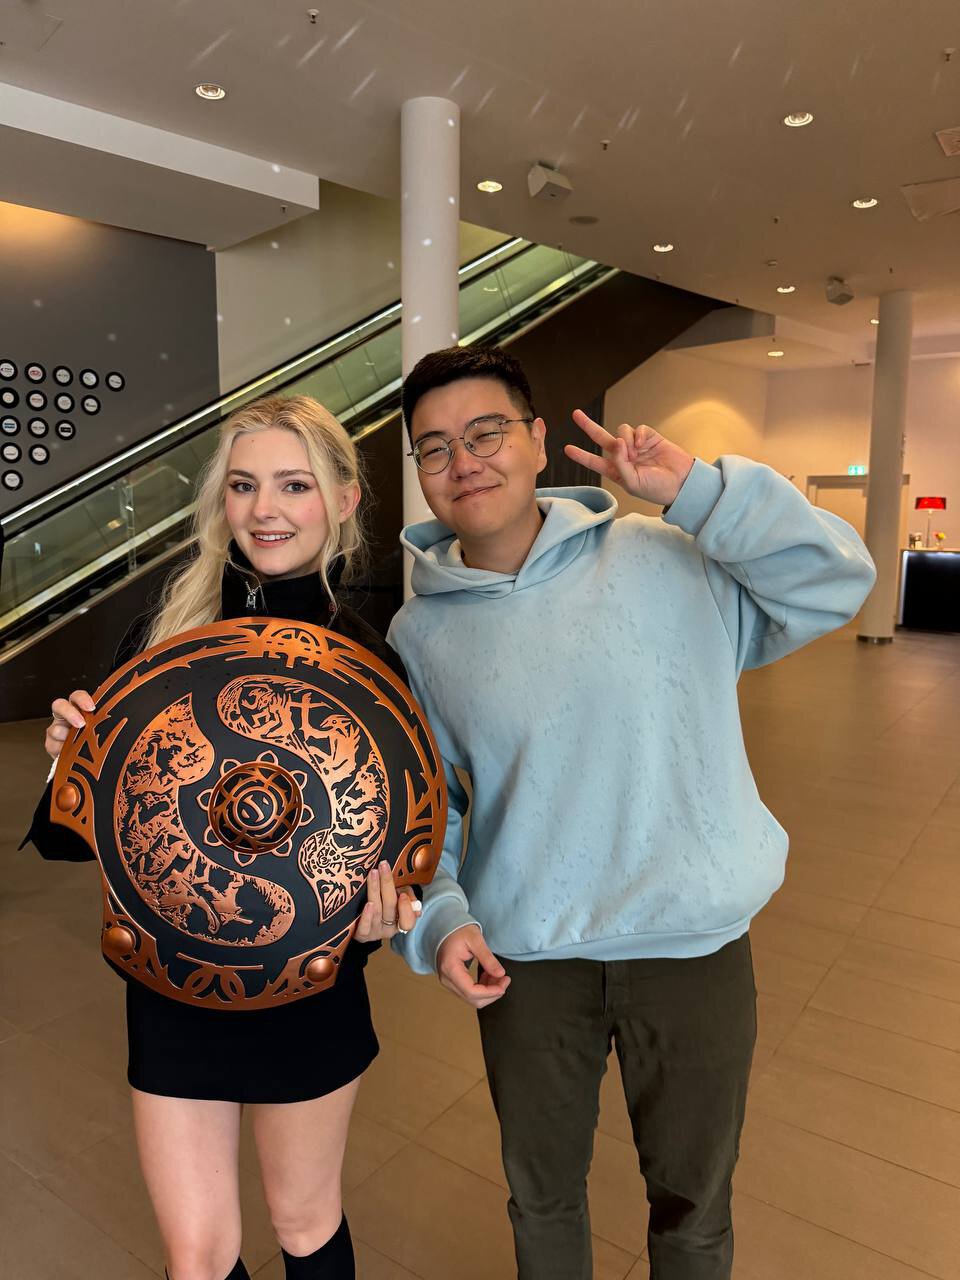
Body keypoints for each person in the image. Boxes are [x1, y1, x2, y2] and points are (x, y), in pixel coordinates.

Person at [387, 346, 876, 1280]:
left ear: (538, 441)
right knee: (542, 1200)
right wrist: (440, 920)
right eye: (435, 447)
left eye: (486, 433)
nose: (463, 462)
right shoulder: (422, 633)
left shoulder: (666, 556)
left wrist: (699, 492)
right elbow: (428, 811)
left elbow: (835, 580)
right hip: (529, 964)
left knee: (693, 1210)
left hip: (691, 949)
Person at [25, 395, 421, 1280]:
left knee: (304, 1222)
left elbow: (396, 850)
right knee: (197, 1258)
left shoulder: (370, 663)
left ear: (344, 499)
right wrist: (69, 763)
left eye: (293, 485)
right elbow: (70, 842)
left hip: (311, 987)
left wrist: (384, 915)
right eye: (243, 486)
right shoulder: (165, 636)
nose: (264, 509)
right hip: (174, 981)